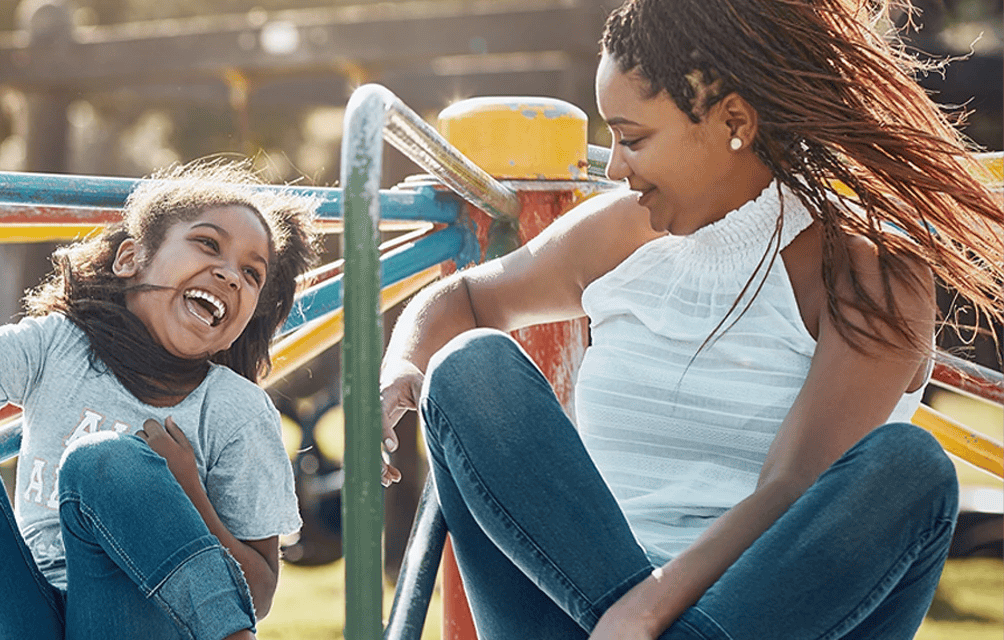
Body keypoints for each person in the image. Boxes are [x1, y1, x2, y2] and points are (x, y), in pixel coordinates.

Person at [375, 0, 1004, 638]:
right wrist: (401, 364)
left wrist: (647, 612)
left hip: (754, 615)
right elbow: (466, 301)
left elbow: (793, 484)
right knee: (469, 367)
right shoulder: (618, 234)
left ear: (733, 120)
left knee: (912, 467)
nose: (615, 167)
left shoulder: (872, 272)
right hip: (579, 612)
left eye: (633, 137)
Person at [0, 148, 319, 640]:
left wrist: (188, 494)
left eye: (251, 274)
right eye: (208, 245)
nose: (230, 274)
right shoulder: (58, 347)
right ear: (130, 259)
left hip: (138, 624)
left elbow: (257, 594)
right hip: (22, 618)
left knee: (105, 460)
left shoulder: (235, 410)